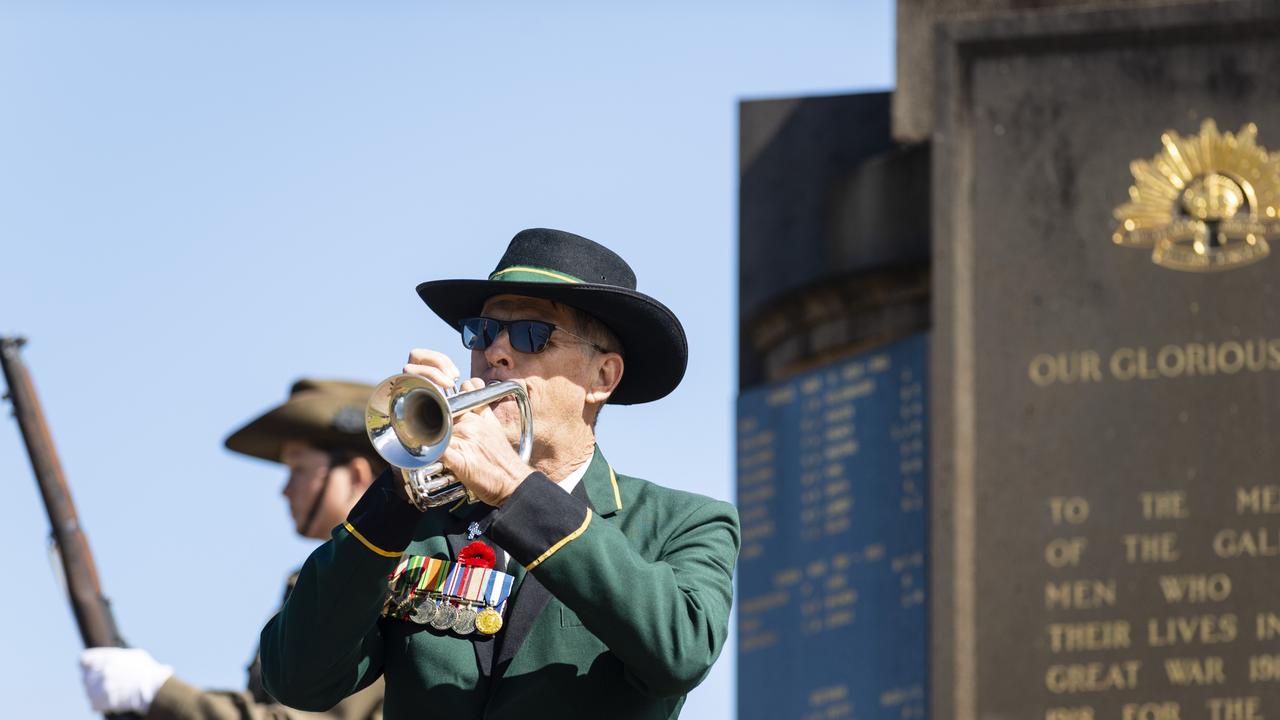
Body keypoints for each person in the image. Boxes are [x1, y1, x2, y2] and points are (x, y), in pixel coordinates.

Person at [259, 228, 740, 719]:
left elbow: (681, 652)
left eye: (533, 334)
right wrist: (397, 493)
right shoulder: (419, 523)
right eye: (482, 332)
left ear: (603, 377)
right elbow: (297, 679)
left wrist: (516, 489)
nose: (495, 353)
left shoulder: (686, 522)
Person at [80, 379, 387, 719]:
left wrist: (159, 694)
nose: (285, 490)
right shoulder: (318, 582)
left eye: (299, 469)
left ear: (357, 475)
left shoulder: (382, 586)